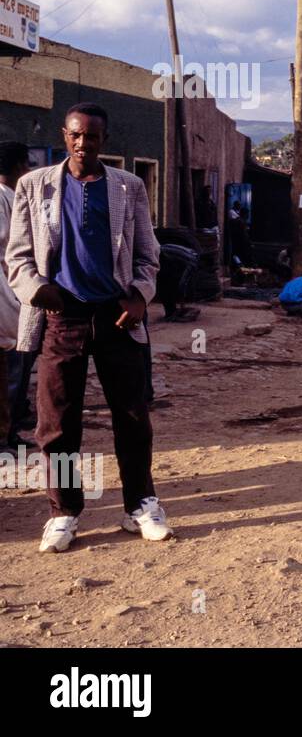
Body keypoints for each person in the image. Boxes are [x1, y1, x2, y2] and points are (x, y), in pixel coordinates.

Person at [6, 103, 172, 552]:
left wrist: (139, 295)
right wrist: (38, 290)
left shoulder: (129, 187)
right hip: (62, 316)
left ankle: (140, 504)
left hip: (117, 316)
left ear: (104, 139)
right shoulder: (33, 185)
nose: (83, 143)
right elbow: (17, 257)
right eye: (76, 135)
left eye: (93, 137)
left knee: (133, 416)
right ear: (65, 136)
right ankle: (64, 512)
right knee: (56, 423)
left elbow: (147, 254)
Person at [0, 141, 33, 452]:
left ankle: (10, 433)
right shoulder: (1, 199)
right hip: (5, 296)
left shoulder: (14, 198)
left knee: (18, 374)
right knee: (7, 376)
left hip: (17, 298)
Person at [227, 202, 252, 284]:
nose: (248, 216)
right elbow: (244, 236)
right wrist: (248, 244)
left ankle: (238, 280)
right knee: (240, 263)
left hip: (237, 245)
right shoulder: (240, 222)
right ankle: (239, 280)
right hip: (240, 246)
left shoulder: (238, 221)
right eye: (247, 214)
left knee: (238, 262)